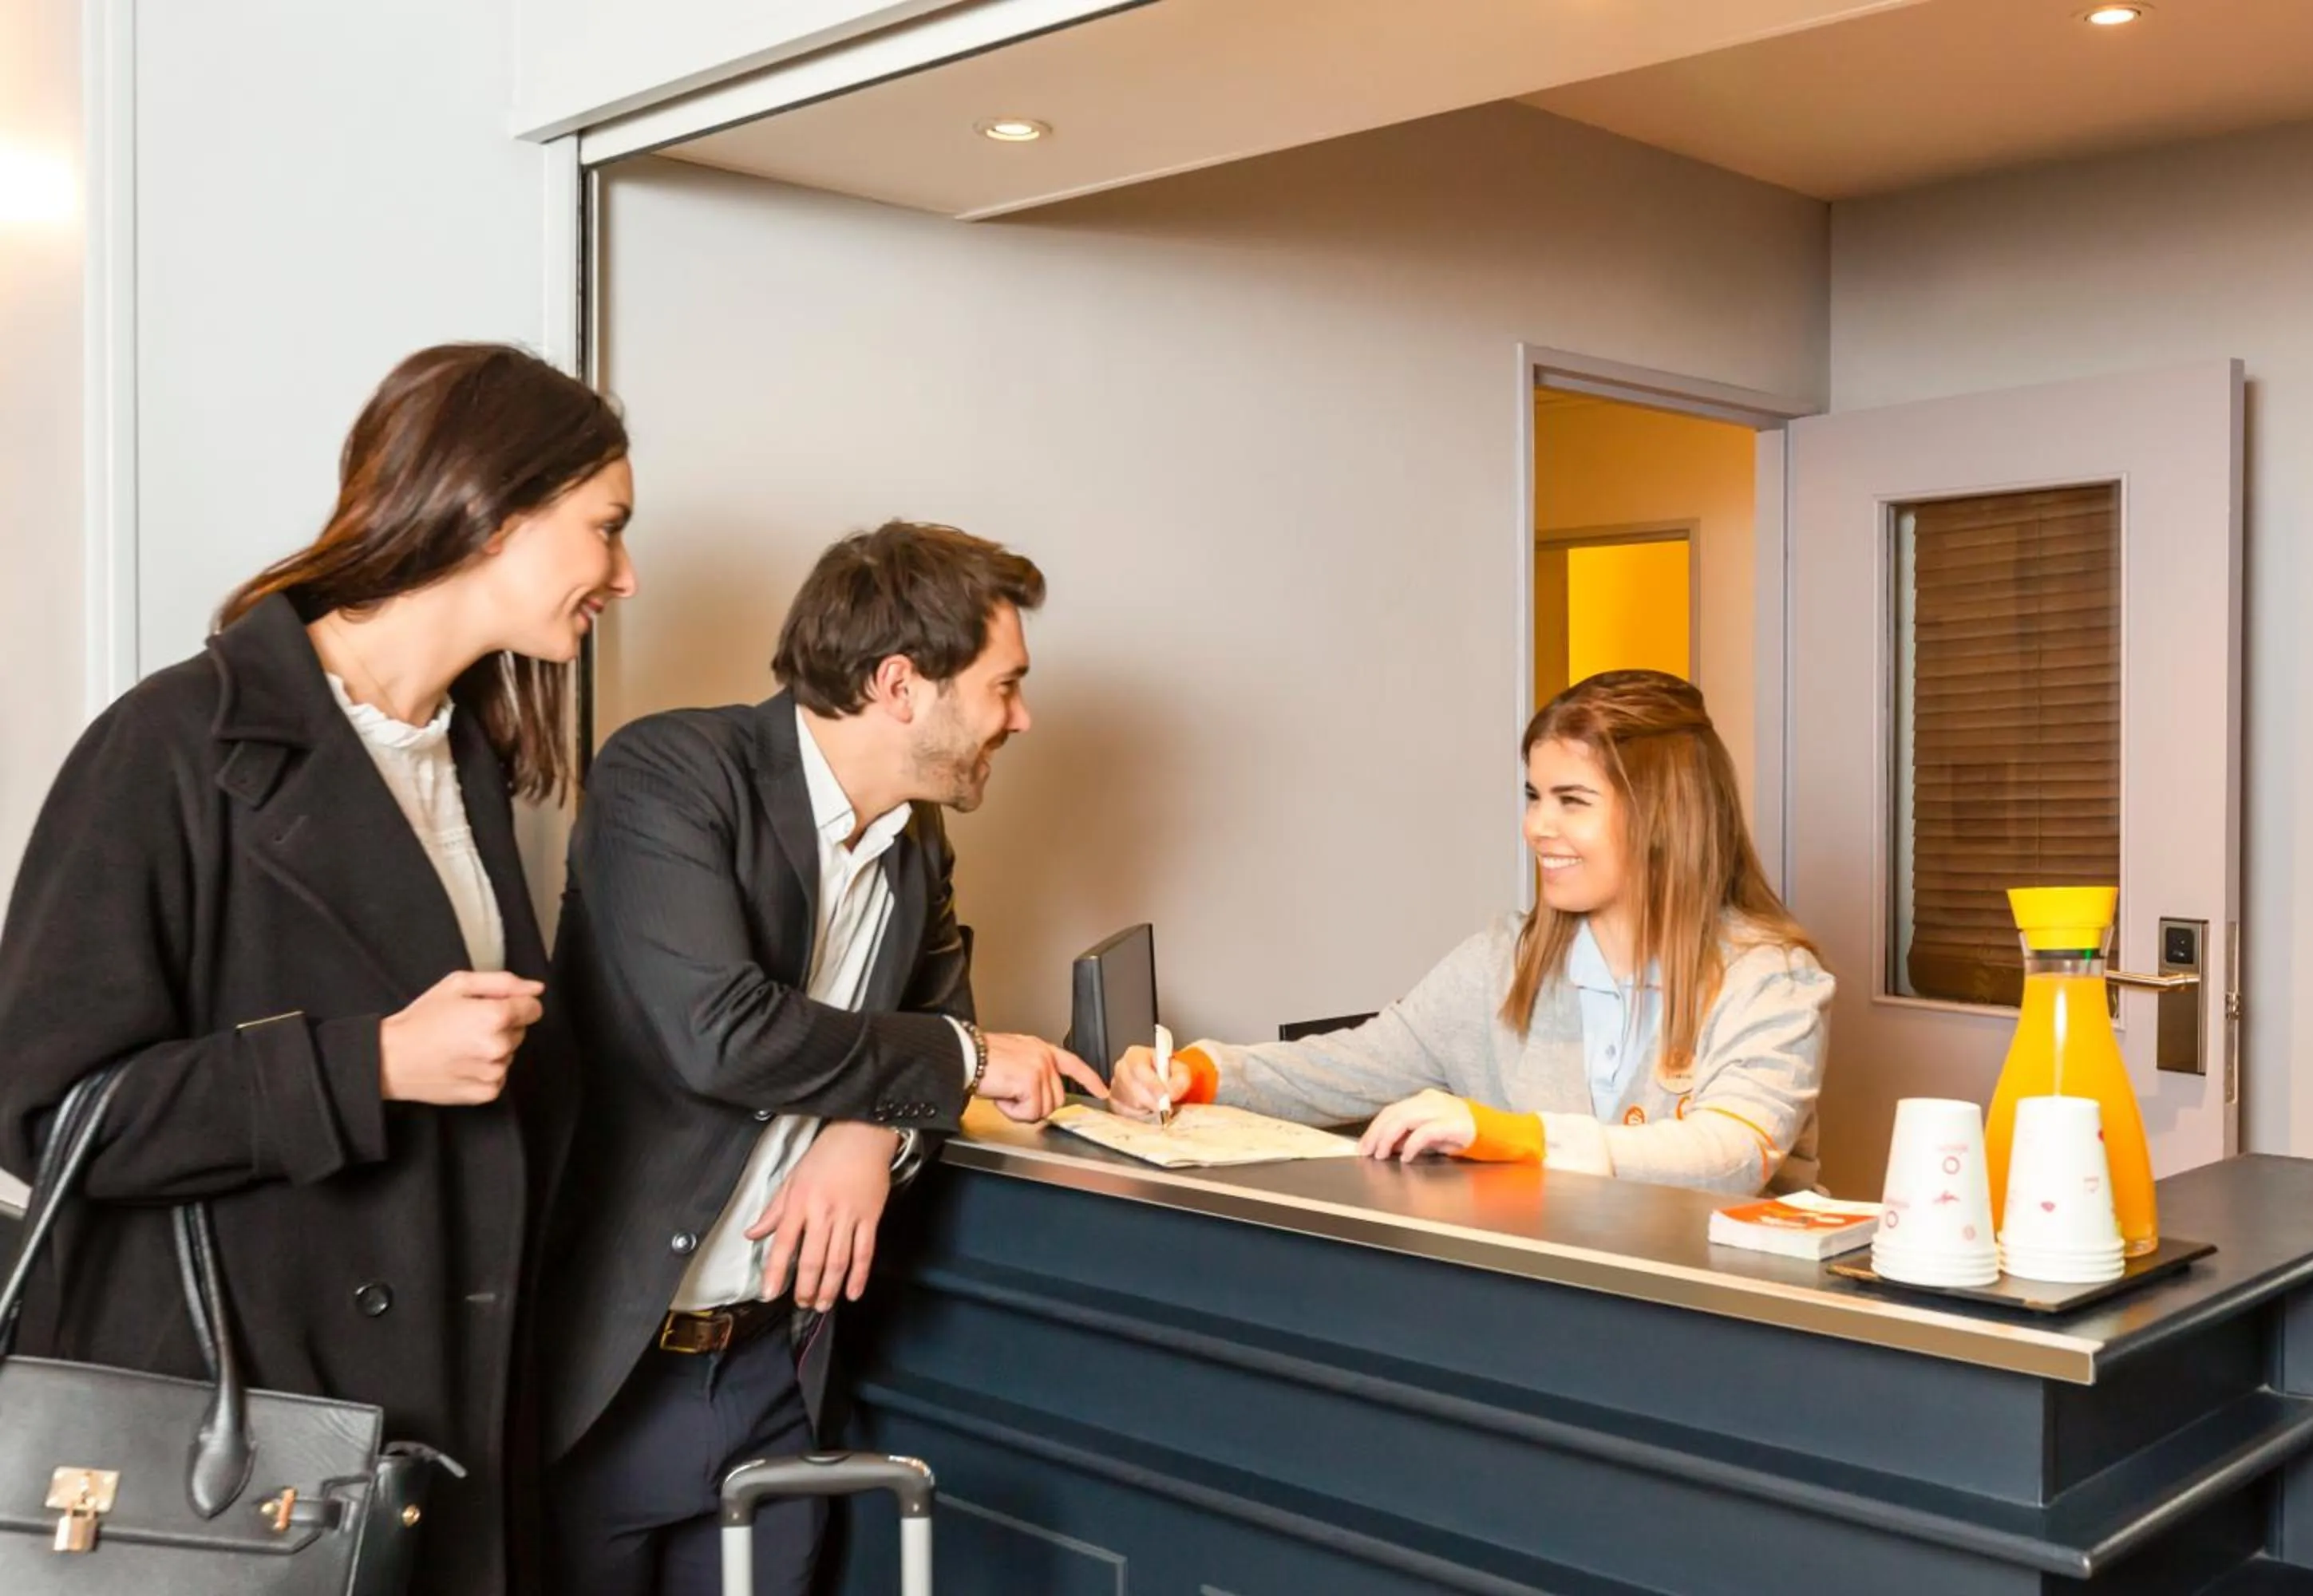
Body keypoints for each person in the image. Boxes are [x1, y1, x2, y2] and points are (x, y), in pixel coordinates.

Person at [0, 342, 639, 1594]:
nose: (623, 572)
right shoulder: (175, 743)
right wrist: (371, 1064)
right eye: (606, 529)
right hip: (240, 1442)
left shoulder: (465, 766)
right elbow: (41, 1109)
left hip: (434, 1426)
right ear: (494, 511)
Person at [540, 519, 1104, 1596]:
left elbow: (934, 1035)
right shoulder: (669, 774)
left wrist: (870, 1132)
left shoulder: (921, 840)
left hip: (776, 1374)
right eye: (1004, 685)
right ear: (901, 685)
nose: (1022, 717)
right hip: (611, 1376)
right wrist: (955, 1062)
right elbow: (726, 1035)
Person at [1111, 670, 1833, 1196]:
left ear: (1665, 816)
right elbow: (1356, 1063)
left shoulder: (1768, 977)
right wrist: (1200, 1074)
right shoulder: (1503, 964)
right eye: (1533, 797)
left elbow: (1734, 1152)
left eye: (1571, 801)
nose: (1537, 827)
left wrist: (1510, 1136)